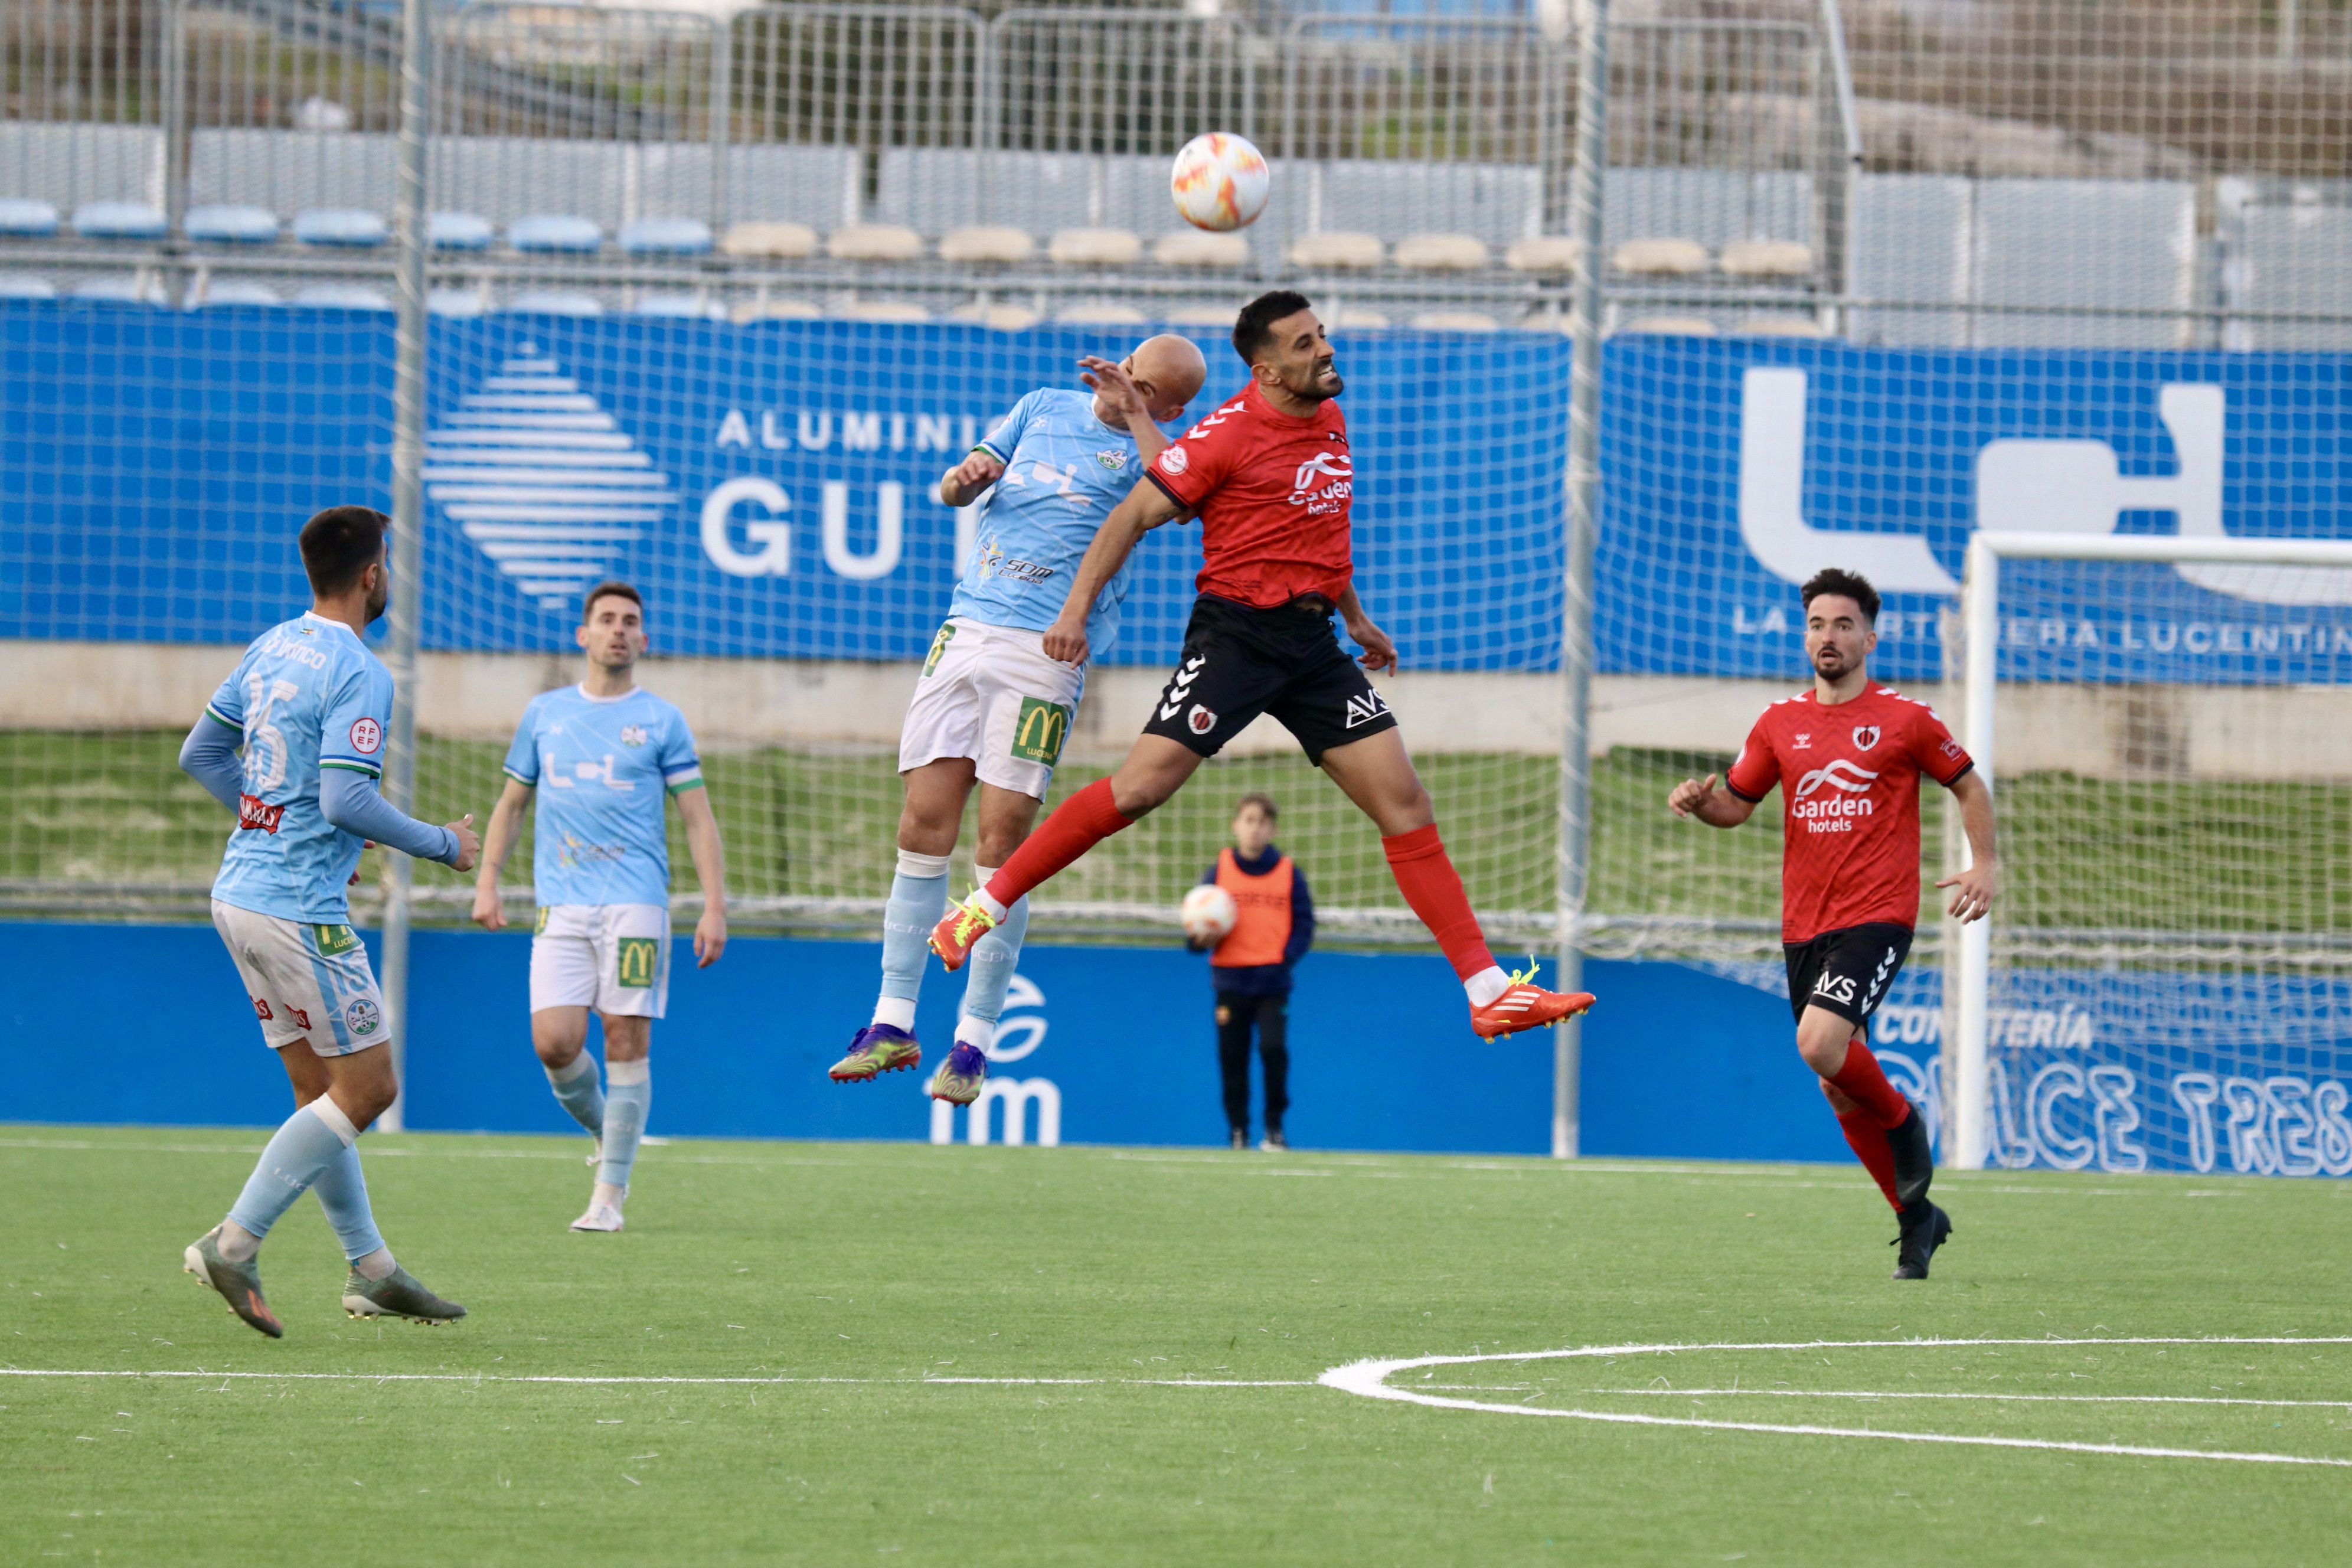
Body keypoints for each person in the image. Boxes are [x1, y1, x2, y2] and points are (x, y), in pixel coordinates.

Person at [928, 291, 1593, 1041]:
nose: (1325, 350)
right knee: (1140, 789)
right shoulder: (1227, 433)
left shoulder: (1330, 417)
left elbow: (1316, 526)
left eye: (1322, 335)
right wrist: (1074, 614)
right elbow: (1130, 516)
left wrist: (1354, 615)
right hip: (1236, 640)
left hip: (1313, 649)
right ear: (1268, 369)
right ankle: (981, 908)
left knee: (1407, 805)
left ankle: (1487, 989)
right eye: (1305, 343)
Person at [829, 335, 1208, 1108]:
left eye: (1144, 388)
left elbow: (1183, 494)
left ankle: (975, 1040)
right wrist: (963, 480)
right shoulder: (1041, 408)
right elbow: (952, 490)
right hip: (966, 628)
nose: (1121, 386)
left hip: (1044, 653)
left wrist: (1137, 417)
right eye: (1126, 370)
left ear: (1170, 406)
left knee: (1000, 846)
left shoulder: (1157, 451)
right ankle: (892, 1019)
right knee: (921, 824)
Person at [175, 504, 480, 1337]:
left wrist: (263, 816)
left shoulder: (271, 645)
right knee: (371, 1086)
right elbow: (345, 799)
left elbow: (199, 753)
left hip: (238, 893)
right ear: (374, 576)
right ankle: (234, 1242)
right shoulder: (360, 669)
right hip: (299, 910)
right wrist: (444, 845)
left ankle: (372, 1270)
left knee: (322, 1091)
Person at [1668, 567, 1998, 1280]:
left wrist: (1985, 863)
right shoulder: (1778, 723)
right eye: (1818, 623)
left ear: (1869, 638)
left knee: (1819, 1043)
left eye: (1844, 624)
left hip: (1878, 915)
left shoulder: (1907, 719)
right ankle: (1917, 1220)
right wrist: (1702, 802)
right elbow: (1737, 804)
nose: (1829, 636)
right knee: (1836, 1082)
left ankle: (1907, 1126)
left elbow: (1969, 783)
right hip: (1804, 925)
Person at [470, 581, 729, 1234]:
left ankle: (608, 1196)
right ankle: (609, 1133)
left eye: (630, 621)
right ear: (583, 635)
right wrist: (487, 881)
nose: (618, 629)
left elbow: (697, 819)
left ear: (644, 639)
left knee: (623, 1037)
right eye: (606, 619)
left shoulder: (664, 719)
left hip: (635, 904)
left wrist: (714, 906)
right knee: (555, 1044)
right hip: (561, 905)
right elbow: (511, 805)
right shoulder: (545, 714)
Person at [1193, 793, 1313, 1151]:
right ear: (1236, 825)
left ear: (1272, 829)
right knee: (1233, 1057)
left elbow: (1304, 925)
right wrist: (1201, 938)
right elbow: (1197, 926)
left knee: (1273, 1050)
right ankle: (1238, 1132)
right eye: (1248, 820)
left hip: (1272, 982)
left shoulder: (1289, 873)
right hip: (1230, 982)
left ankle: (1274, 1128)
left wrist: (1283, 958)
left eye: (1262, 822)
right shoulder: (1220, 870)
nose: (1254, 828)